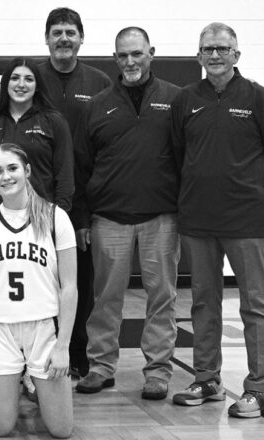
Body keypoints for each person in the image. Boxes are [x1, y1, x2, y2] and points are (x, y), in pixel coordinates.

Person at [170, 22, 264, 418]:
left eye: (222, 48)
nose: (215, 55)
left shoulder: (261, 100)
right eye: (208, 49)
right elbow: (177, 154)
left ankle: (259, 389)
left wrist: (245, 183)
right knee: (203, 302)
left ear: (237, 54)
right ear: (198, 55)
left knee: (255, 305)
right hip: (198, 220)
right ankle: (207, 379)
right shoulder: (186, 101)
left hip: (247, 221)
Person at [74, 27, 180, 400]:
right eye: (123, 55)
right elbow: (82, 167)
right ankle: (101, 367)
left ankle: (158, 372)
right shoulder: (97, 105)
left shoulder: (176, 100)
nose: (130, 62)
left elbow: (188, 158)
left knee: (162, 296)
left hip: (162, 216)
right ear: (115, 59)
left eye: (137, 54)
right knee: (105, 298)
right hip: (109, 217)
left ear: (151, 52)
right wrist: (84, 219)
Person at [0, 143, 76, 438]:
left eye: (12, 168)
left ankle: (39, 384)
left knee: (62, 430)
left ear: (27, 171)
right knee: (1, 428)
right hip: (0, 329)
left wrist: (63, 346)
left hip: (45, 329)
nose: (6, 177)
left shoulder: (55, 217)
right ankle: (7, 388)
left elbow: (70, 287)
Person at [36, 7, 113, 378]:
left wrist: (81, 213)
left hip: (81, 203)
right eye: (57, 32)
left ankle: (78, 354)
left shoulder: (99, 82)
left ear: (81, 38)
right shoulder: (32, 77)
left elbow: (101, 150)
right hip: (35, 201)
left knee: (79, 282)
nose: (64, 38)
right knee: (39, 279)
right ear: (46, 38)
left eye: (70, 32)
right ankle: (36, 352)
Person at [0, 58, 73, 212]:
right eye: (15, 78)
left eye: (29, 79)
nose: (21, 85)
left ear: (37, 86)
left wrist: (58, 216)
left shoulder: (53, 121)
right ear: (6, 83)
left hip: (42, 213)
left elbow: (65, 176)